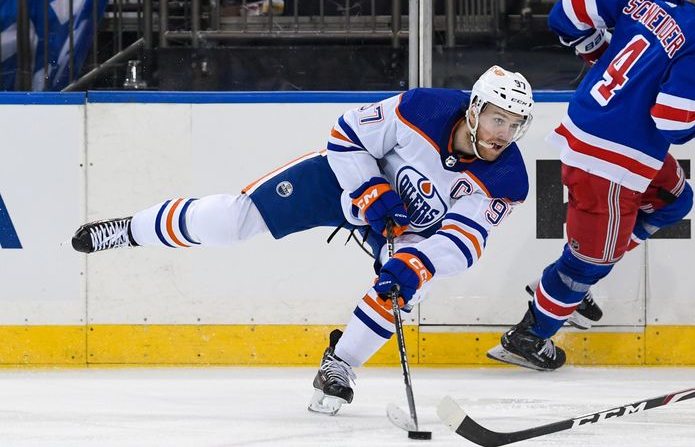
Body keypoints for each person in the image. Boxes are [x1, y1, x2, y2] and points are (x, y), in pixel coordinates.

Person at [71, 65, 534, 415]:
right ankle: (130, 230)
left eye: (515, 125)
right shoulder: (423, 107)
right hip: (348, 183)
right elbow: (348, 134)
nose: (504, 135)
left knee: (409, 285)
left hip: (408, 227)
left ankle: (341, 364)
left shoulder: (508, 177)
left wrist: (418, 265)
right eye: (497, 120)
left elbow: (464, 241)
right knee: (236, 221)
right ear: (474, 109)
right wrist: (370, 190)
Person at [487, 0, 695, 371]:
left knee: (673, 200)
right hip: (610, 160)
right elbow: (673, 121)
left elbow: (569, 9)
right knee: (592, 260)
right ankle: (528, 337)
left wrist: (595, 52)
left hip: (604, 134)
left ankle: (563, 281)